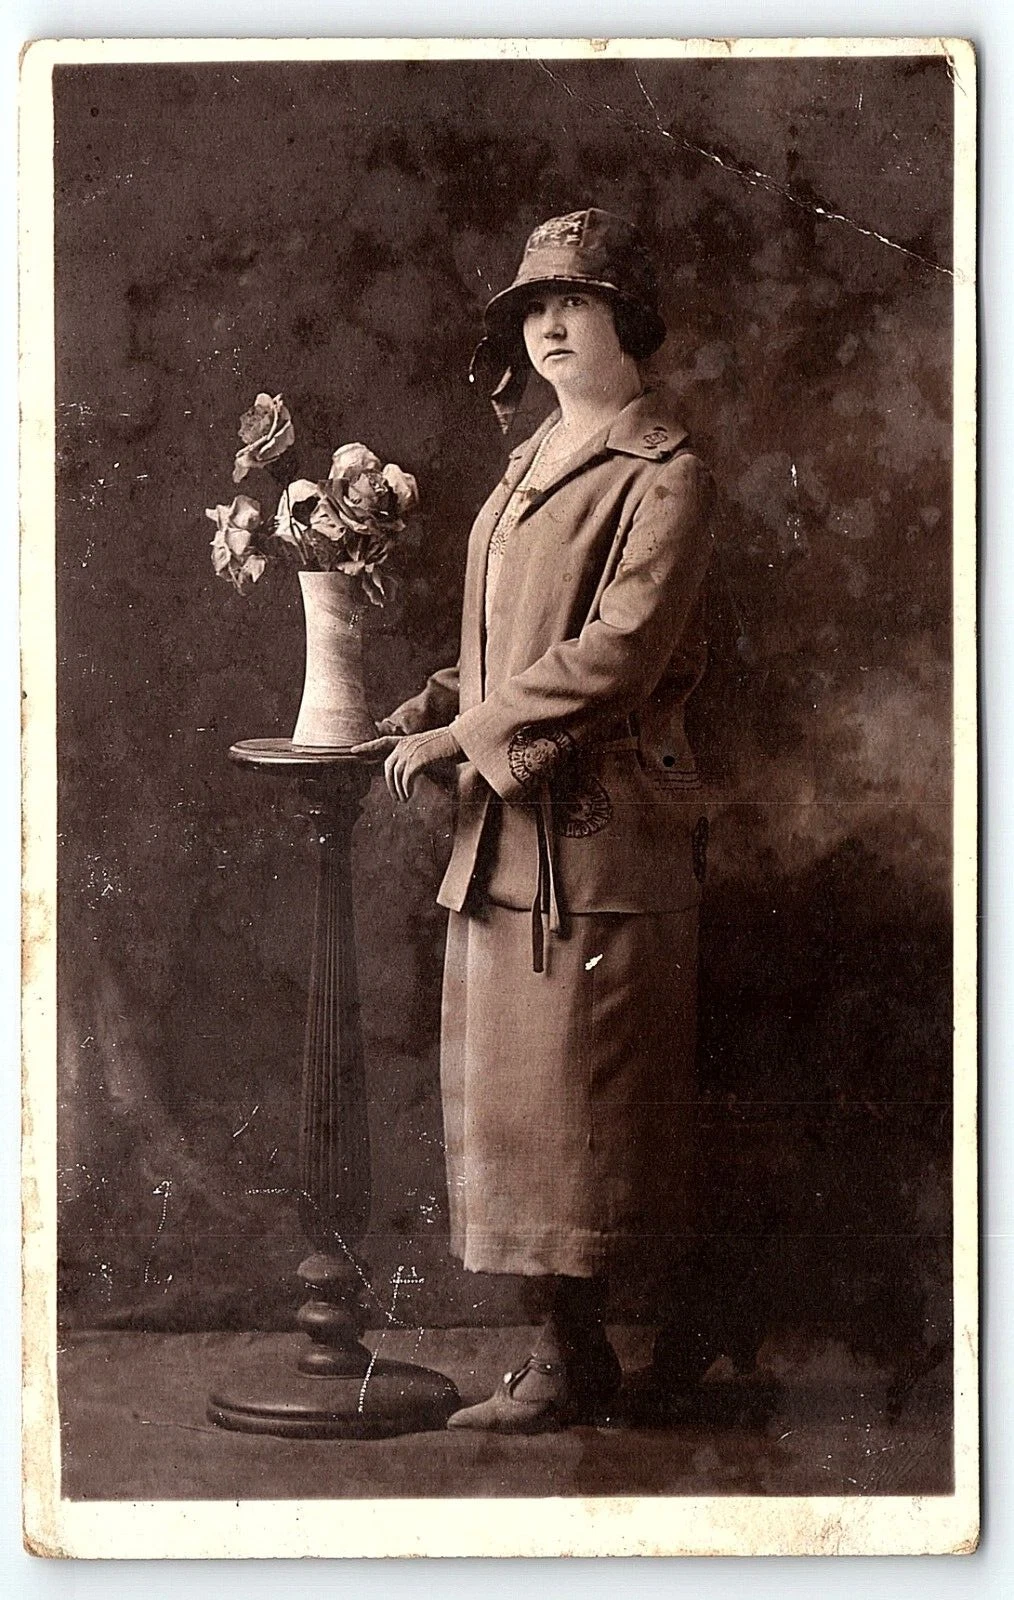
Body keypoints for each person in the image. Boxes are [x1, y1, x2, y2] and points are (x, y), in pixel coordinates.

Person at [354, 208, 716, 1432]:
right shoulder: (526, 465)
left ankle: (591, 1357)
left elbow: (617, 653)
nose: (549, 323)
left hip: (602, 839)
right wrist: (435, 698)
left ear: (630, 320)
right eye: (533, 307)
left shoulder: (666, 473)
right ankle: (563, 1352)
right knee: (521, 1109)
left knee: (586, 1112)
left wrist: (463, 738)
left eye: (576, 300)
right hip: (510, 836)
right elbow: (510, 643)